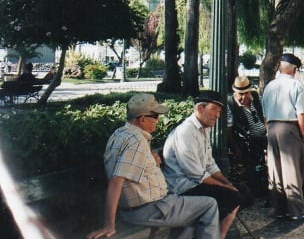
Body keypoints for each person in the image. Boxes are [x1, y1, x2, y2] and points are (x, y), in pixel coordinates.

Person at [87, 93, 220, 239]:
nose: (158, 120)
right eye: (156, 116)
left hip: (147, 207)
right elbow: (116, 180)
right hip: (149, 209)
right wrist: (109, 224)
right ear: (143, 119)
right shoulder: (136, 142)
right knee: (209, 205)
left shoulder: (121, 133)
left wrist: (150, 154)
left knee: (191, 216)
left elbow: (129, 158)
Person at [162, 90, 252, 239]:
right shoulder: (186, 131)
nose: (217, 115)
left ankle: (219, 234)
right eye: (214, 109)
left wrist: (226, 182)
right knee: (232, 196)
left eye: (219, 111)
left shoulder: (204, 129)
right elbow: (195, 173)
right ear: (200, 108)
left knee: (245, 192)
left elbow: (210, 164)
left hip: (196, 182)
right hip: (183, 187)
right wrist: (225, 187)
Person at [261, 53, 304, 220]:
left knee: (275, 171)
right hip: (290, 128)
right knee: (292, 170)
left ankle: (278, 208)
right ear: (294, 69)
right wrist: (303, 134)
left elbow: (265, 114)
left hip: (272, 128)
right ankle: (296, 210)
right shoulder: (296, 86)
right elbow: (301, 114)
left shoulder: (270, 86)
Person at [227, 76, 267, 196]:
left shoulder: (255, 97)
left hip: (265, 136)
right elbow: (229, 130)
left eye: (247, 92)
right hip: (248, 141)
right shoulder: (231, 105)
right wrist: (236, 148)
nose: (245, 97)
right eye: (241, 94)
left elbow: (264, 114)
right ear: (235, 92)